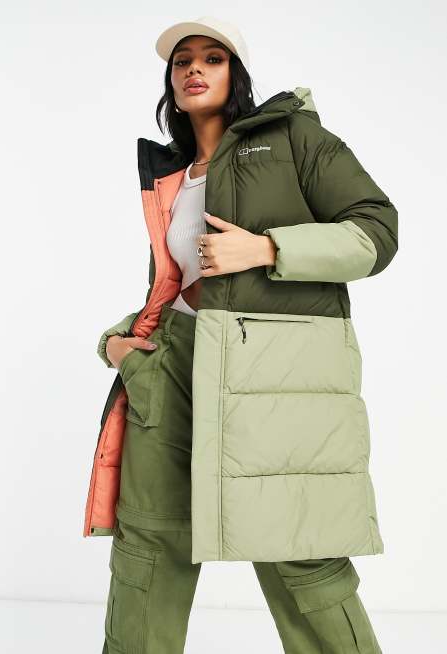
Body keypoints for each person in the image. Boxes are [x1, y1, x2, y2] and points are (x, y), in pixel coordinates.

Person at [85, 15, 398, 654]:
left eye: (213, 57)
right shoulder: (175, 174)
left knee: (300, 554)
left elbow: (376, 232)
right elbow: (172, 284)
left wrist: (267, 248)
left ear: (238, 73)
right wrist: (118, 344)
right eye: (182, 62)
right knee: (148, 550)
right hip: (170, 371)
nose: (195, 69)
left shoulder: (294, 138)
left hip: (266, 375)